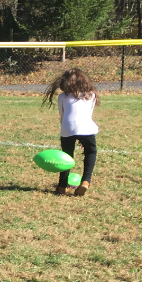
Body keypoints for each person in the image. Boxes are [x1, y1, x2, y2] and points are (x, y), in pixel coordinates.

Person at [43, 68, 99, 196]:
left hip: (67, 127)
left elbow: (62, 116)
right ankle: (85, 181)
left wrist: (70, 130)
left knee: (66, 157)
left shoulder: (63, 96)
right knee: (91, 152)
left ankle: (62, 186)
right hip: (87, 128)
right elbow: (88, 115)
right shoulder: (92, 95)